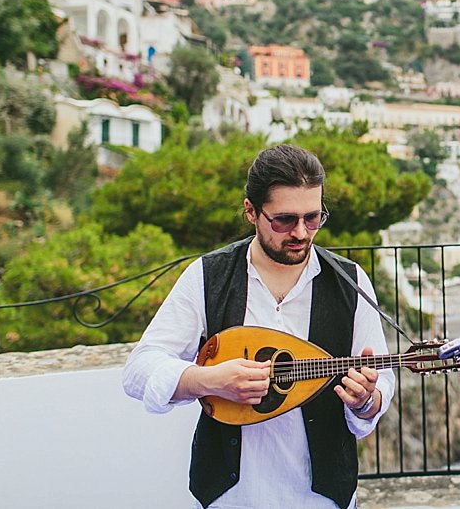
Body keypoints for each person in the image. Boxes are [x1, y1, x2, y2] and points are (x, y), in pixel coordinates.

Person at [123, 144, 394, 509]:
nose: (301, 232)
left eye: (313, 218)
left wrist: (365, 401)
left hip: (321, 499)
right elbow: (139, 370)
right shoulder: (209, 276)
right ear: (251, 211)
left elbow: (379, 387)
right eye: (284, 220)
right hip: (232, 497)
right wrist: (212, 380)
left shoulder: (349, 282)